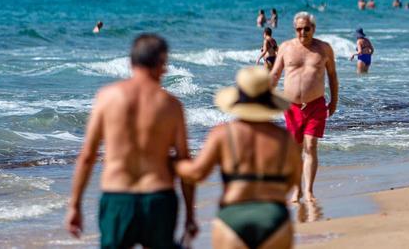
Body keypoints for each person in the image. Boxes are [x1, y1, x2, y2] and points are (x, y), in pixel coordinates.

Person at [66, 34, 197, 246]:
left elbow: (87, 156)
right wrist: (190, 214)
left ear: (131, 62)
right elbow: (184, 162)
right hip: (158, 199)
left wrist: (75, 205)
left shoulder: (107, 97)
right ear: (162, 64)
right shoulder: (171, 105)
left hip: (118, 198)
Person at [176, 67, 301, 249]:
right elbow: (294, 179)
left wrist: (175, 163)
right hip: (274, 217)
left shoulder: (222, 134)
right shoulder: (284, 138)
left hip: (232, 217)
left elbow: (197, 173)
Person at [269, 12, 338, 201]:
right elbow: (275, 74)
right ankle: (297, 189)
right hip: (291, 107)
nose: (302, 33)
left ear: (313, 29)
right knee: (295, 150)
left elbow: (332, 76)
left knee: (311, 145)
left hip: (316, 104)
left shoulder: (324, 49)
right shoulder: (286, 48)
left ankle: (308, 191)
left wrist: (334, 101)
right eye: (298, 29)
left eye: (306, 29)